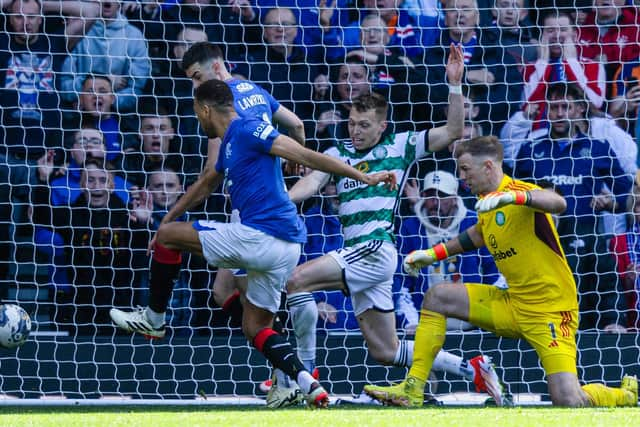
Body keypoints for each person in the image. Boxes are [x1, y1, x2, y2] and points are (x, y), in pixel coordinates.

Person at [109, 78, 396, 408]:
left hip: (265, 235)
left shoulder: (247, 129)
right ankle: (305, 383)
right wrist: (167, 218)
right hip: (280, 248)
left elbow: (303, 152)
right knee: (255, 327)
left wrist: (365, 176)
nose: (198, 121)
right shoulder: (231, 142)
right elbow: (203, 187)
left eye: (197, 114)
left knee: (171, 238)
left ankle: (154, 319)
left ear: (204, 110)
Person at [284, 45, 509, 405]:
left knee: (296, 280)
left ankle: (303, 381)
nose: (355, 131)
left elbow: (453, 130)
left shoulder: (402, 144)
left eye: (364, 126)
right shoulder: (337, 154)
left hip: (375, 249)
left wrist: (454, 84)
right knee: (385, 351)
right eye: (352, 124)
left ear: (382, 126)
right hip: (357, 252)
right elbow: (310, 184)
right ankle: (473, 369)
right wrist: (279, 202)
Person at [363, 135, 638, 407]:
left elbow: (558, 202)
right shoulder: (486, 203)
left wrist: (513, 198)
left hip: (550, 311)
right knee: (437, 297)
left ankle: (624, 395)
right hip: (512, 303)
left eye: (465, 169)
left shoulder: (518, 192)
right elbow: (476, 235)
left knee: (567, 399)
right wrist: (430, 254)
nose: (461, 177)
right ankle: (413, 388)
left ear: (489, 167)